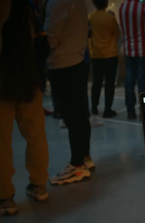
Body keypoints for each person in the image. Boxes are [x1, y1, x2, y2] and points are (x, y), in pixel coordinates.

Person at [0, 0, 49, 215]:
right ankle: (39, 185)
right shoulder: (27, 7)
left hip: (2, 82)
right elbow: (40, 44)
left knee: (2, 143)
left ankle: (5, 198)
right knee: (36, 136)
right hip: (29, 80)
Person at [44, 0, 93, 185]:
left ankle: (77, 164)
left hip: (63, 64)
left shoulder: (58, 2)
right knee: (80, 115)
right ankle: (84, 157)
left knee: (72, 117)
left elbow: (51, 36)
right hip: (77, 60)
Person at [119, 0, 145, 120]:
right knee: (142, 82)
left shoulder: (122, 7)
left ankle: (130, 111)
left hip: (128, 50)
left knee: (129, 82)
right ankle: (143, 112)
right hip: (143, 50)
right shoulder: (143, 8)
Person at [89, 0, 121, 118]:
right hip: (110, 54)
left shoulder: (90, 17)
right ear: (106, 3)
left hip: (96, 54)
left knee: (96, 82)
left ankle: (94, 106)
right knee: (109, 83)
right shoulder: (110, 17)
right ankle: (108, 109)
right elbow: (117, 34)